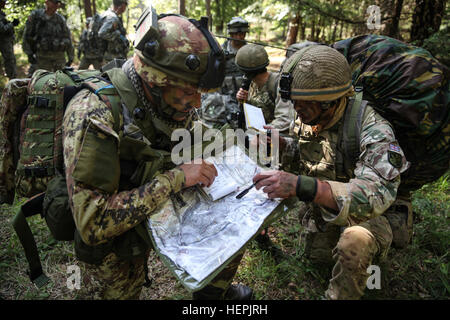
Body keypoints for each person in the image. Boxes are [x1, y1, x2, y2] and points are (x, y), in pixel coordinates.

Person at [62, 12, 252, 300]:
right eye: (191, 91)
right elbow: (92, 223)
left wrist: (245, 141)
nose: (198, 102)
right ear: (155, 79)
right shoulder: (94, 113)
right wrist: (177, 178)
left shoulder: (167, 102)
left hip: (150, 209)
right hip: (112, 239)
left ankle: (212, 295)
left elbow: (194, 134)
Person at [252, 45, 409, 299]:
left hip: (368, 215)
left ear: (329, 101)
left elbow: (375, 194)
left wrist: (302, 186)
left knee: (355, 243)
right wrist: (283, 146)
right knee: (319, 260)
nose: (297, 109)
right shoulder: (308, 116)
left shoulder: (373, 128)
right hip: (327, 210)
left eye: (304, 104)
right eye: (294, 102)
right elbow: (307, 155)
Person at [235, 43, 295, 132]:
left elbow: (284, 120)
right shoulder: (251, 83)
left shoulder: (278, 84)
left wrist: (261, 133)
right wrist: (243, 101)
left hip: (278, 137)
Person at [22, 0, 74, 76]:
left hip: (59, 58)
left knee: (61, 81)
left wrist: (70, 56)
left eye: (57, 3)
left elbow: (68, 38)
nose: (56, 5)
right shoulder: (36, 17)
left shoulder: (60, 19)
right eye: (54, 2)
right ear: (46, 2)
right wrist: (29, 54)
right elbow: (27, 36)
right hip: (42, 58)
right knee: (41, 81)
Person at [220, 16, 249, 97]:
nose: (239, 37)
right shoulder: (221, 50)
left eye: (242, 34)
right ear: (230, 34)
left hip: (245, 94)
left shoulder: (250, 52)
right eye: (236, 34)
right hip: (225, 94)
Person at [0, 0, 18, 79]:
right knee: (9, 61)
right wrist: (12, 24)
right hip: (3, 42)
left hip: (5, 41)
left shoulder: (1, 13)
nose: (5, 3)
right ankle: (12, 79)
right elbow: (2, 29)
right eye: (3, 1)